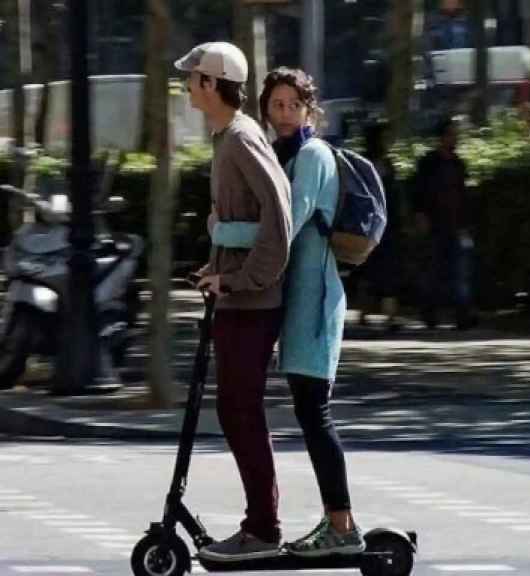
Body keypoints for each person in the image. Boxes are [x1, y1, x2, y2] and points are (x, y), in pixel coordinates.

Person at [211, 67, 364, 558]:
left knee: (314, 412)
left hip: (314, 304)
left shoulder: (313, 156)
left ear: (308, 109)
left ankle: (342, 527)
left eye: (292, 106)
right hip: (292, 301)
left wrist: (222, 230)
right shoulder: (280, 155)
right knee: (307, 409)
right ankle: (338, 525)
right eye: (275, 105)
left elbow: (286, 227)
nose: (282, 114)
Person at [174, 42, 293, 561]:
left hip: (253, 304)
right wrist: (217, 270)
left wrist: (242, 279)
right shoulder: (227, 137)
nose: (185, 86)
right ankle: (260, 525)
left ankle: (263, 529)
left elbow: (279, 218)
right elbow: (245, 221)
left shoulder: (242, 138)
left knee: (241, 411)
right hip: (237, 299)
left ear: (210, 83)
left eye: (191, 77)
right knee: (234, 409)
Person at [412, 117, 476, 330]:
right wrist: (420, 215)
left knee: (460, 272)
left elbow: (463, 194)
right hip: (435, 224)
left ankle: (462, 314)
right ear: (441, 138)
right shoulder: (429, 162)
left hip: (456, 225)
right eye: (450, 134)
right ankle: (429, 312)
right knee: (433, 270)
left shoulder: (458, 163)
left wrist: (466, 223)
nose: (454, 138)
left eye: (455, 134)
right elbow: (418, 192)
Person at [358, 120, 403, 331]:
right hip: (371, 223)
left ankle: (387, 314)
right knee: (371, 268)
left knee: (382, 268)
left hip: (385, 224)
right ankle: (368, 312)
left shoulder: (382, 163)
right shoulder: (369, 164)